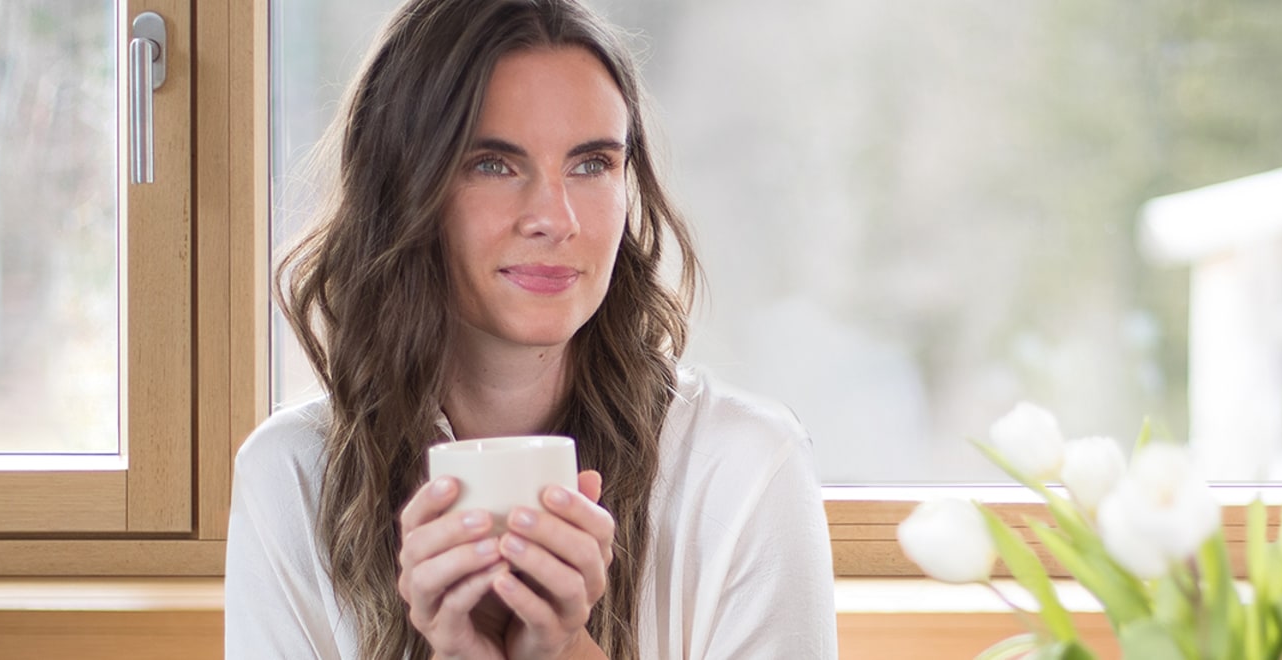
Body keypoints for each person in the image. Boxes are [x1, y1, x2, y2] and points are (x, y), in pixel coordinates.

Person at [223, 0, 837, 658]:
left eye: (592, 164)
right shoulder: (289, 478)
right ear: (403, 192)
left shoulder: (746, 469)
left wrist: (567, 649)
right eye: (493, 163)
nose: (556, 217)